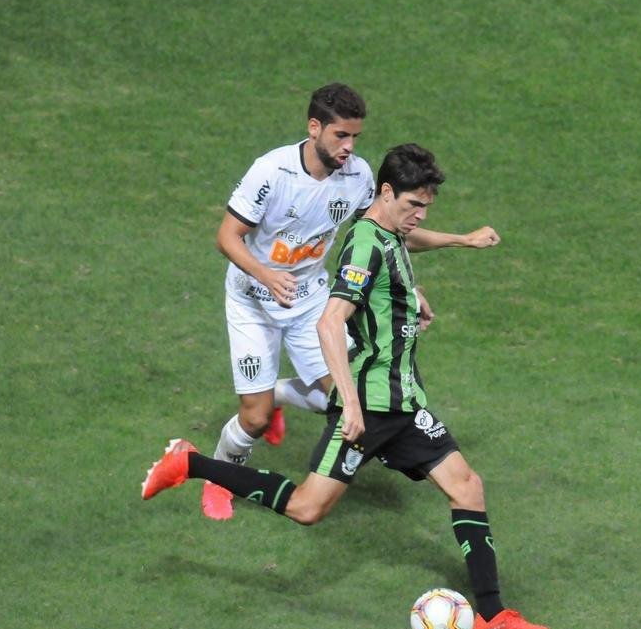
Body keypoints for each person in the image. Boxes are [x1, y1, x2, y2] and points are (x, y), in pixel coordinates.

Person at [144, 143, 548, 629]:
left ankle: (492, 613)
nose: (418, 216)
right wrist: (350, 403)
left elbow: (394, 273)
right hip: (370, 407)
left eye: (425, 207)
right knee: (308, 509)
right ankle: (191, 463)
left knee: (467, 486)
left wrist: (419, 290)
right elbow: (331, 323)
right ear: (384, 193)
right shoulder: (364, 243)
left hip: (403, 401)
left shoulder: (390, 233)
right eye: (412, 206)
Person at [204, 83, 501, 521]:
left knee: (344, 398)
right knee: (254, 419)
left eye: (355, 137)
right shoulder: (271, 172)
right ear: (314, 127)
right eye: (341, 135)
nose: (349, 147)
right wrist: (267, 275)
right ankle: (216, 477)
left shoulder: (358, 176)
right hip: (253, 301)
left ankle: (282, 393)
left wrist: (460, 240)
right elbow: (227, 236)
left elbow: (390, 231)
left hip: (310, 302)